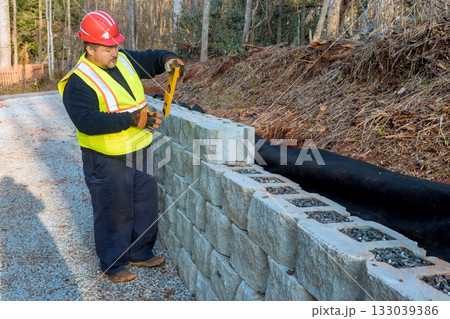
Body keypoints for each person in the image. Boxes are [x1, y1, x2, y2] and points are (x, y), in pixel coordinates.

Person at [58, 11, 184, 283]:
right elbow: (87, 121)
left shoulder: (123, 60)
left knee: (145, 205)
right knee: (113, 210)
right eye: (108, 47)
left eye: (116, 44)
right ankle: (112, 264)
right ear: (90, 49)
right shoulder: (78, 81)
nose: (114, 51)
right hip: (106, 158)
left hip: (140, 148)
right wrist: (132, 119)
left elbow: (150, 58)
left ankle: (140, 252)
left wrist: (167, 60)